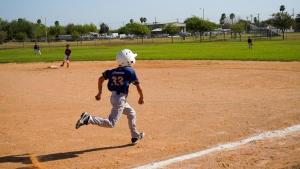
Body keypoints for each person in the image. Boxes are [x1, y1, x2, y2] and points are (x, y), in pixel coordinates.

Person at [75, 49, 145, 145]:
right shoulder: (130, 71)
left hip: (115, 98)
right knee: (111, 123)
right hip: (120, 100)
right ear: (128, 59)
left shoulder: (112, 71)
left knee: (131, 113)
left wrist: (99, 93)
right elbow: (138, 86)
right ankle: (89, 119)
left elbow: (100, 79)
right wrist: (141, 97)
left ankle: (135, 136)